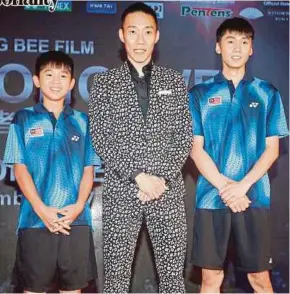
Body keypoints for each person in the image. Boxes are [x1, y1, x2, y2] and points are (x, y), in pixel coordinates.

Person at [89, 2, 192, 293]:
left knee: (173, 280)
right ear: (122, 35)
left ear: (156, 36)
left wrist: (160, 179)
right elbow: (101, 137)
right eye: (133, 32)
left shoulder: (174, 80)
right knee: (117, 281)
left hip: (167, 191)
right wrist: (138, 176)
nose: (140, 40)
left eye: (147, 32)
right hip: (123, 191)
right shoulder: (104, 83)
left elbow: (184, 136)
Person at [189, 17, 288, 293]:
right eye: (230, 41)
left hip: (253, 198)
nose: (237, 48)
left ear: (251, 49)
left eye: (244, 42)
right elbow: (196, 149)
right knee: (210, 280)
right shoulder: (199, 93)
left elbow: (272, 150)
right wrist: (225, 188)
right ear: (218, 46)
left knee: (260, 280)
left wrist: (242, 187)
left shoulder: (267, 93)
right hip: (211, 198)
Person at [4, 50, 99, 293]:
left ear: (72, 83)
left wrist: (78, 206)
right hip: (35, 220)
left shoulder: (83, 121)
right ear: (36, 80)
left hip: (75, 221)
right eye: (49, 74)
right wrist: (42, 209)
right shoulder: (23, 118)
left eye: (63, 75)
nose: (56, 81)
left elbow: (89, 169)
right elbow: (19, 167)